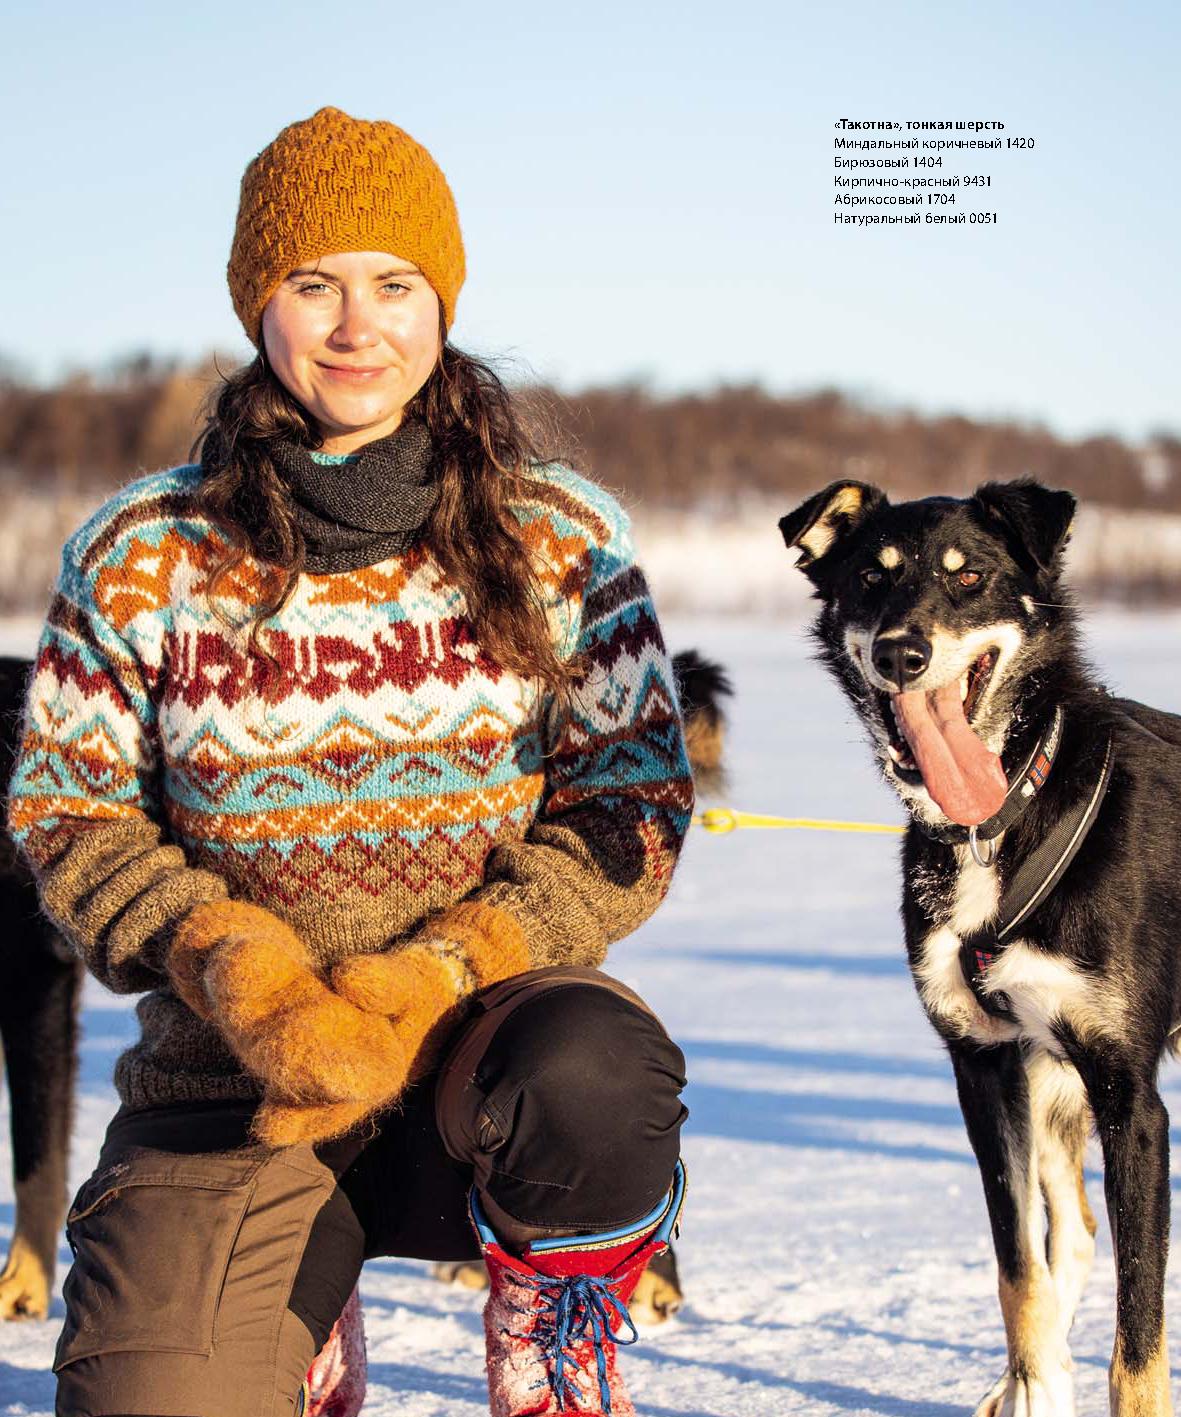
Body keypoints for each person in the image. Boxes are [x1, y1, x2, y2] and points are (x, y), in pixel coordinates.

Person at [6, 106, 693, 1417]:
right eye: (311, 283)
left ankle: (547, 1301)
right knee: (149, 1398)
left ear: (442, 302)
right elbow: (69, 814)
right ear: (255, 304)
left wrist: (449, 959)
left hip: (480, 1065)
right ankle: (298, 1317)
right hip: (238, 1079)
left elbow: (632, 807)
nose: (354, 324)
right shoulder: (139, 547)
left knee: (594, 1071)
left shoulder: (558, 535)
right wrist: (236, 963)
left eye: (393, 284)